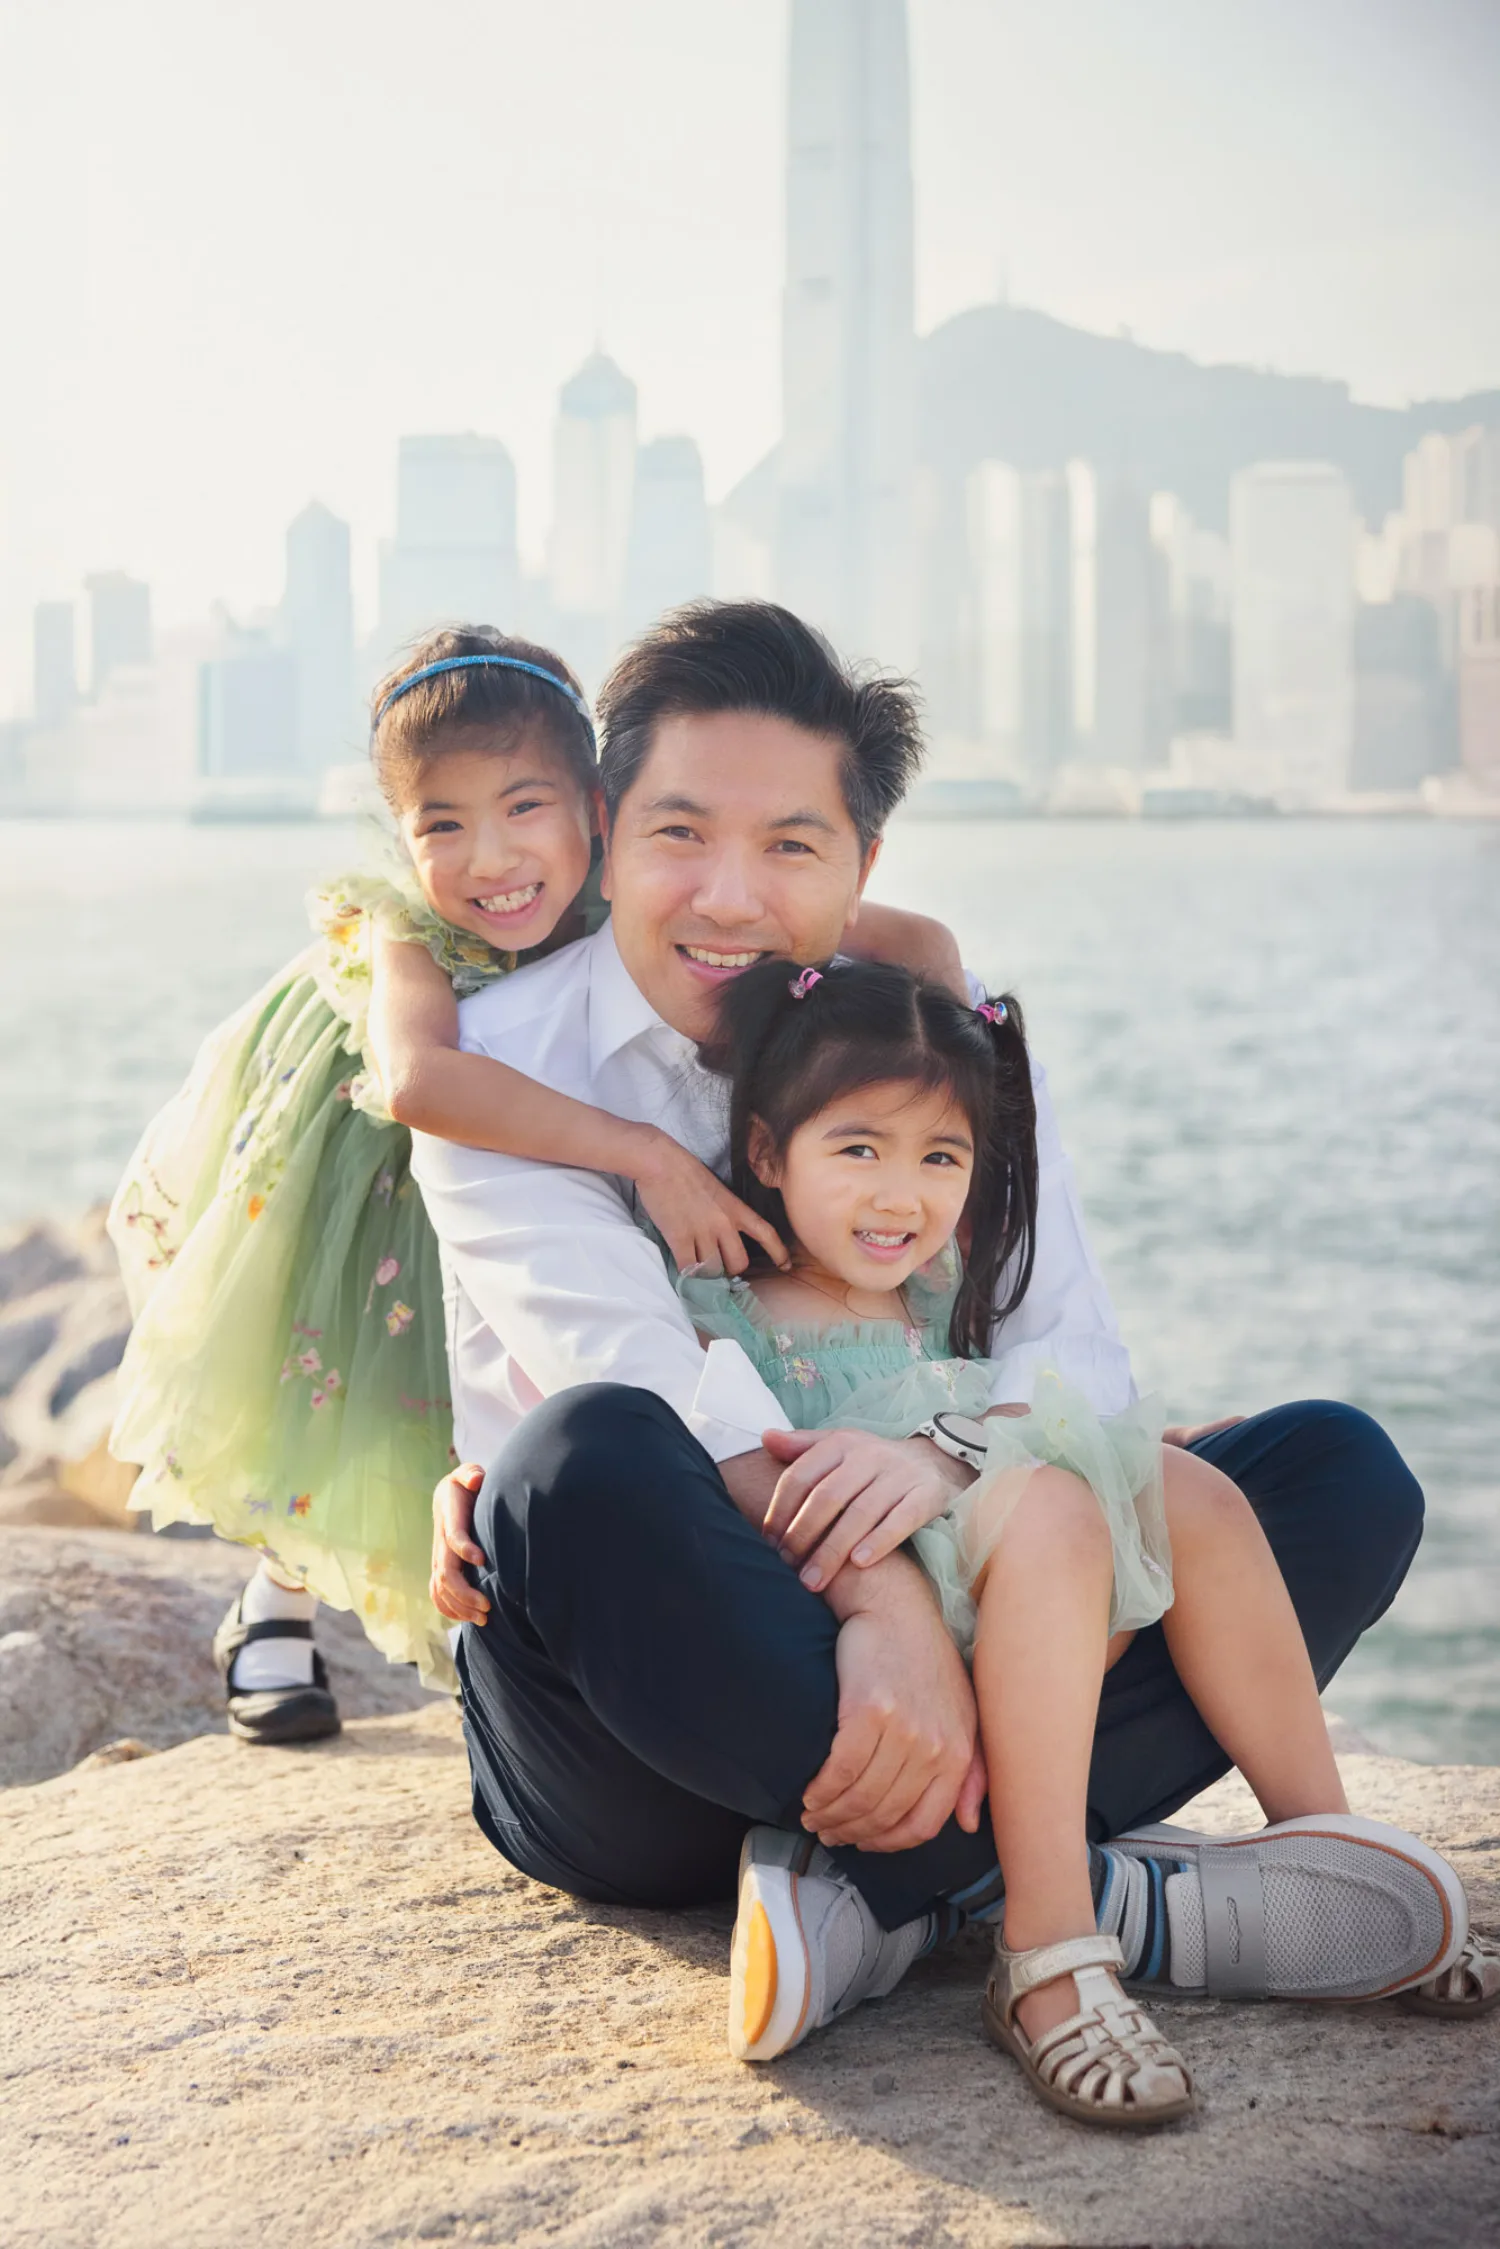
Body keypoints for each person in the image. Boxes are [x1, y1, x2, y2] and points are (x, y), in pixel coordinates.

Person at [410, 599, 1495, 2089]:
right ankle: (1094, 1896)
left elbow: (1076, 1352)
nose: (730, 895)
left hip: (944, 1611)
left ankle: (886, 1902)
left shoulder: (936, 1037)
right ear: (604, 831)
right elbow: (664, 1394)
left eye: (793, 845)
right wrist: (890, 1616)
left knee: (1331, 1474)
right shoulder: (501, 1074)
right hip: (651, 1724)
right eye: (680, 834)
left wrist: (942, 1456)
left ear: (863, 864)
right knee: (579, 1459)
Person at [107, 621, 960, 1738]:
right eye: (440, 823)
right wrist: (645, 1152)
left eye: (524, 809)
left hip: (538, 1136)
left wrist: (949, 998)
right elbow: (420, 1081)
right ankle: (280, 1587)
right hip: (376, 1169)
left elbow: (880, 922)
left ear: (597, 813)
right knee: (344, 1385)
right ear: (398, 832)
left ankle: (497, 1556)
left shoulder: (650, 883)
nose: (492, 861)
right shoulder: (406, 927)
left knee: (507, 1375)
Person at [677, 953, 1478, 2124]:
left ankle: (1326, 1844)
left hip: (1007, 1585)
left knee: (1188, 1490)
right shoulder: (720, 1306)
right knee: (1057, 1501)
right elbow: (699, 1471)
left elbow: (1014, 1401)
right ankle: (1049, 1945)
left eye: (939, 1157)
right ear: (765, 1153)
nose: (901, 1196)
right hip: (875, 1634)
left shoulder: (941, 1282)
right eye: (859, 1149)